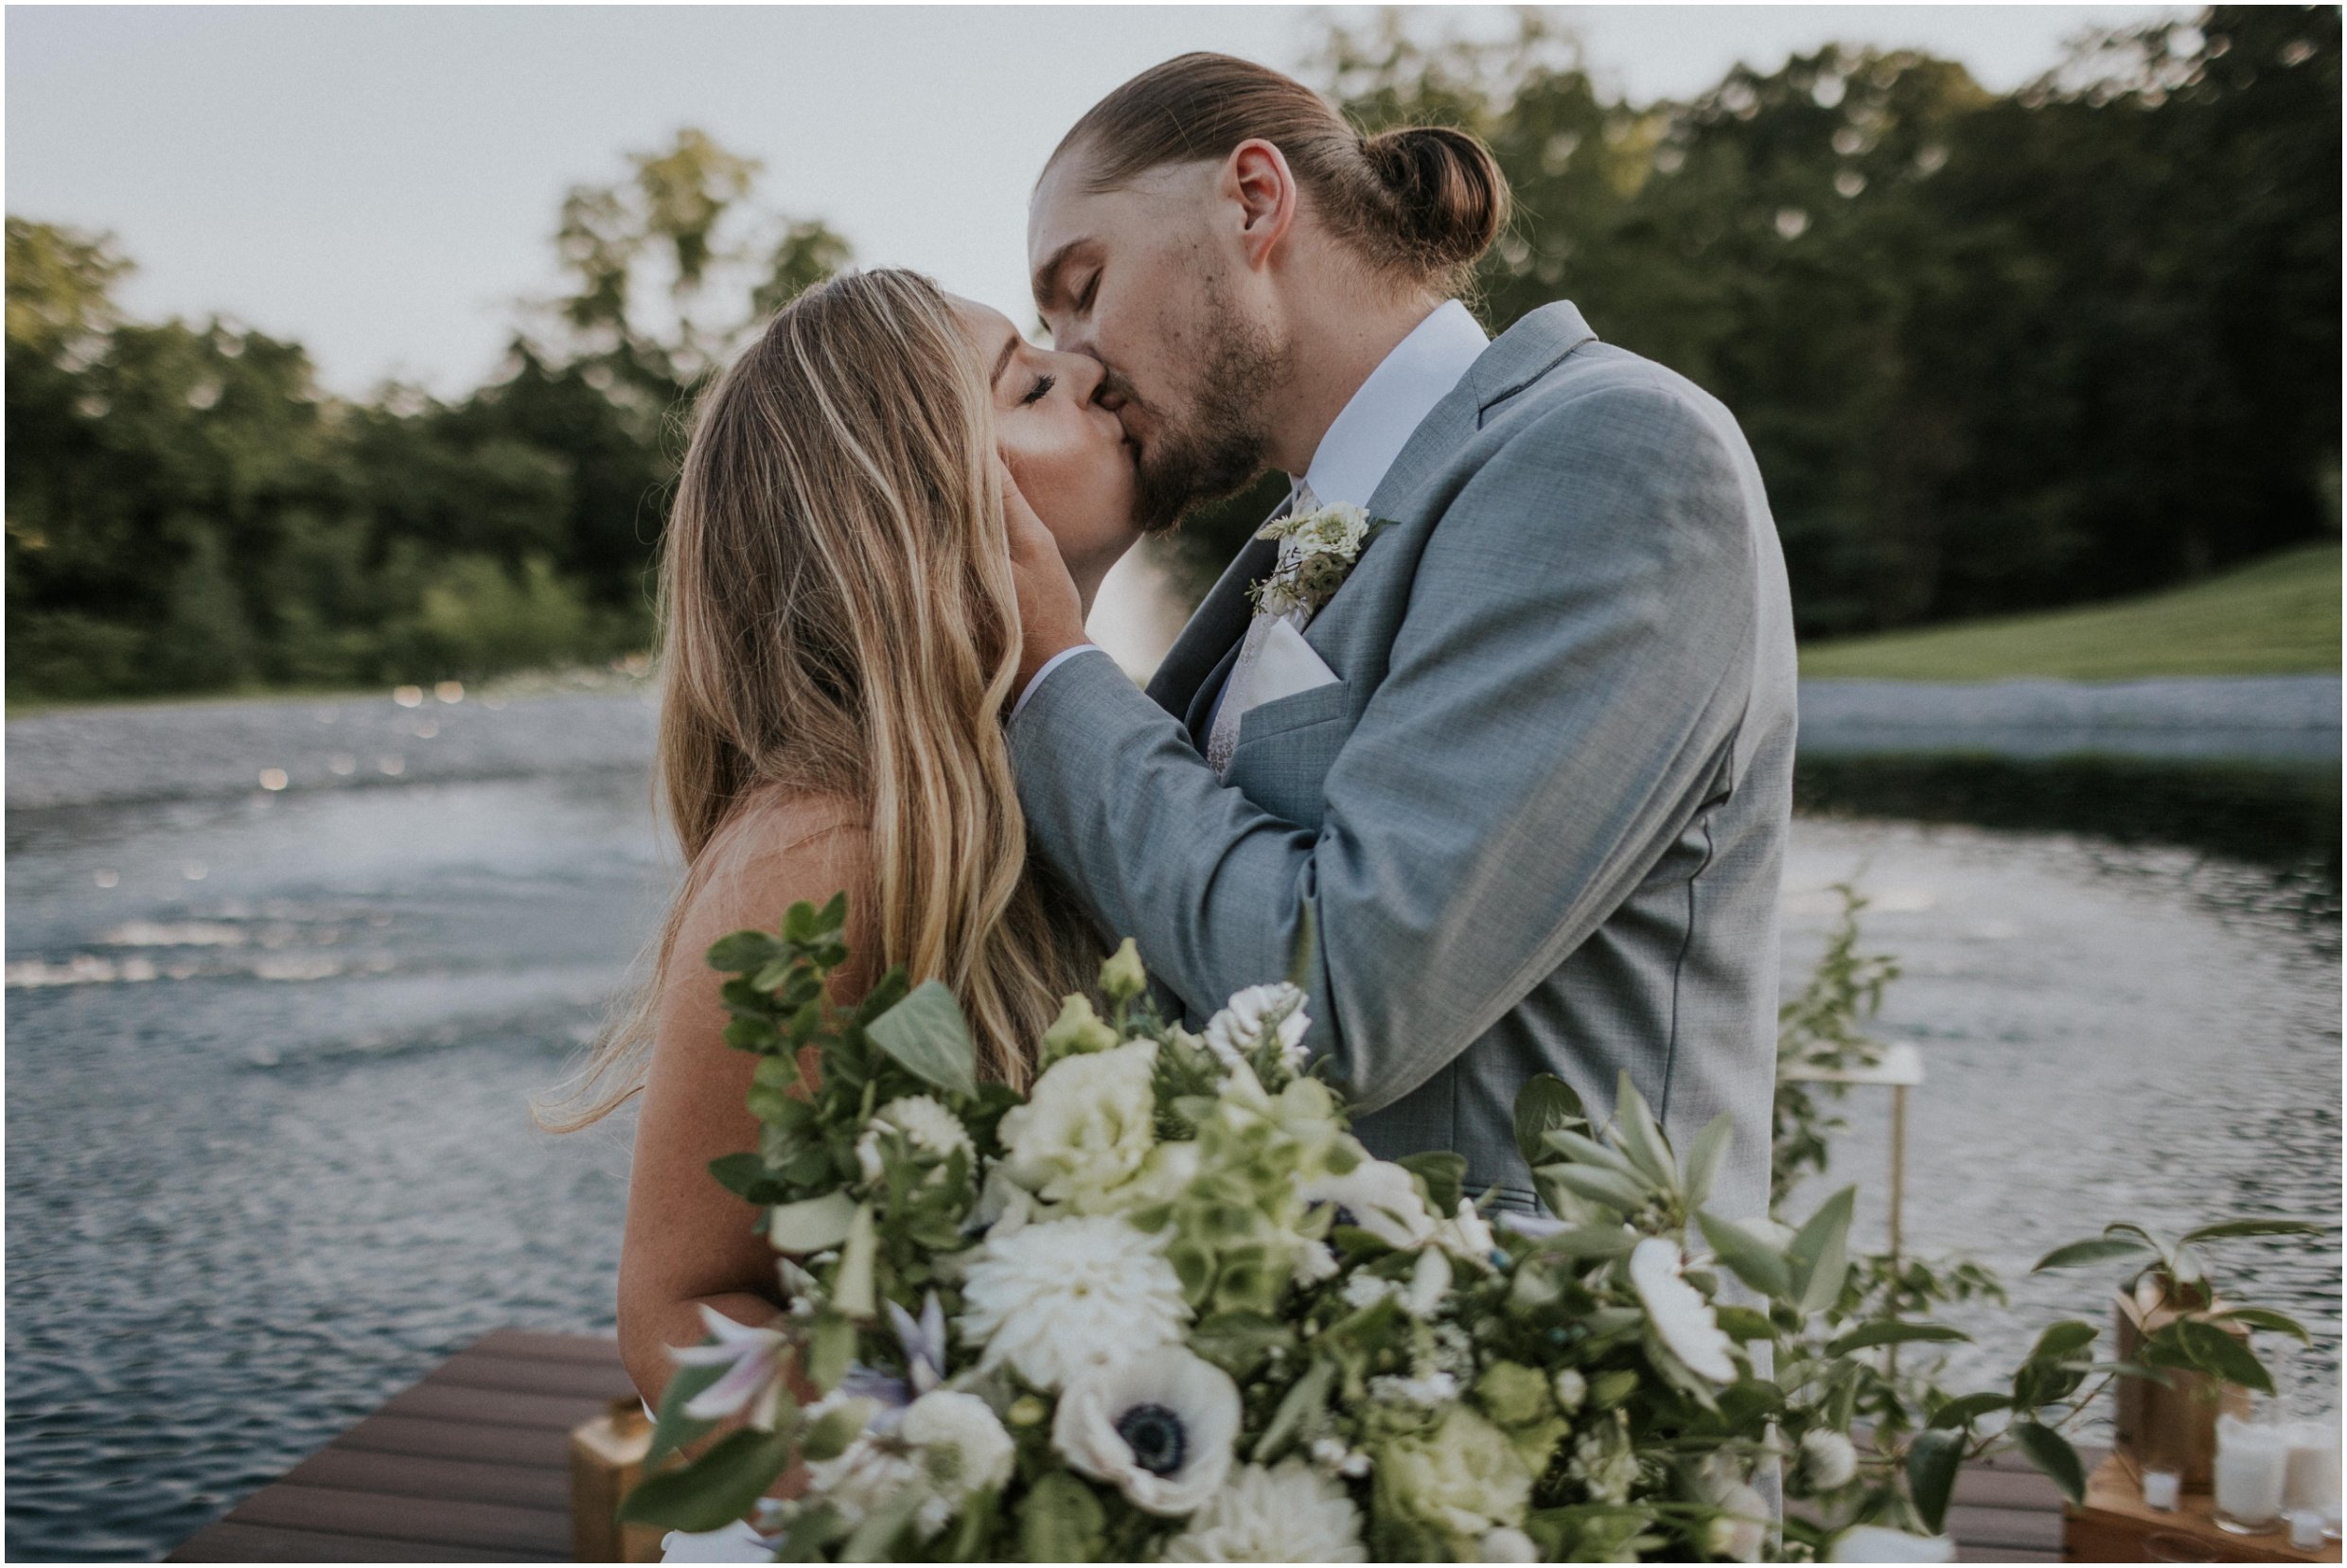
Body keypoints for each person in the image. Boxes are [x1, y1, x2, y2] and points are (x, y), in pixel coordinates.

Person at [1002, 54, 1798, 1230]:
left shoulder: (1614, 455)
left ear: (1254, 200)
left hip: (1564, 1367)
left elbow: (1340, 1001)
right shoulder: (1307, 527)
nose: (1073, 356)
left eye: (1082, 283)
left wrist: (1051, 668)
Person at [536, 268, 1141, 1561]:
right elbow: (684, 1299)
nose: (1090, 368)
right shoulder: (829, 843)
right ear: (924, 515)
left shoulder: (1085, 766)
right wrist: (916, 1513)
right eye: (1030, 384)